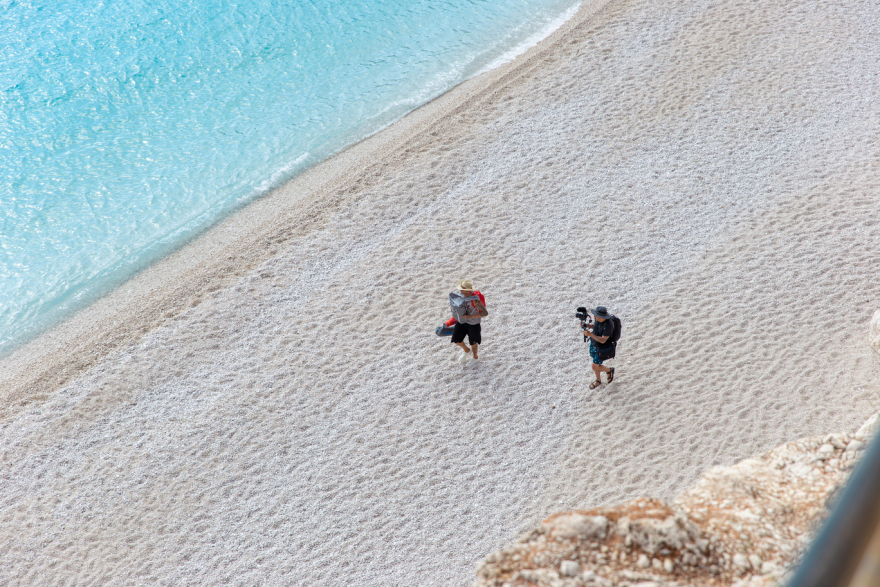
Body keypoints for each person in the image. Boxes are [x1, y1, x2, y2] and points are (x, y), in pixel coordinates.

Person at [450, 279, 488, 363]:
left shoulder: (475, 300)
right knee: (456, 339)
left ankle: (475, 357)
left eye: (462, 289)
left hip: (474, 323)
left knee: (473, 342)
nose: (460, 290)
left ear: (468, 290)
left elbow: (485, 313)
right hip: (462, 321)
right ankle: (467, 350)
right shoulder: (461, 295)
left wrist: (469, 316)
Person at [583, 306, 615, 389]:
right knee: (597, 364)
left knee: (594, 366)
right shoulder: (598, 320)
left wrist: (590, 334)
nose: (594, 316)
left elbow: (603, 340)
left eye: (596, 315)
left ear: (601, 317)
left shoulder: (609, 325)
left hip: (602, 348)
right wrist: (587, 325)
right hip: (594, 345)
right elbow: (596, 327)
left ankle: (609, 370)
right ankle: (598, 380)